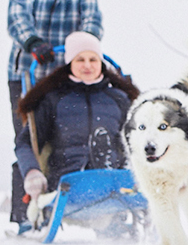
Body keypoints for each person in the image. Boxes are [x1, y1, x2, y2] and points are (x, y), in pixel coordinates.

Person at [7, 0, 103, 226]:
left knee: (67, 136)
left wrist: (81, 48)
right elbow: (17, 15)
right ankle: (25, 213)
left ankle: (73, 205)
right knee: (31, 136)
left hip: (67, 71)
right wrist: (33, 42)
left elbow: (92, 20)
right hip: (29, 70)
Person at [14, 32, 139, 234]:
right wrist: (32, 172)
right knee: (93, 160)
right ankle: (99, 165)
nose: (87, 65)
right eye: (80, 59)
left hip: (115, 184)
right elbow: (25, 143)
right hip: (68, 183)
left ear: (101, 63)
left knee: (122, 152)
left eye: (93, 59)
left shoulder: (119, 99)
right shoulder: (54, 99)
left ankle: (107, 169)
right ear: (70, 63)